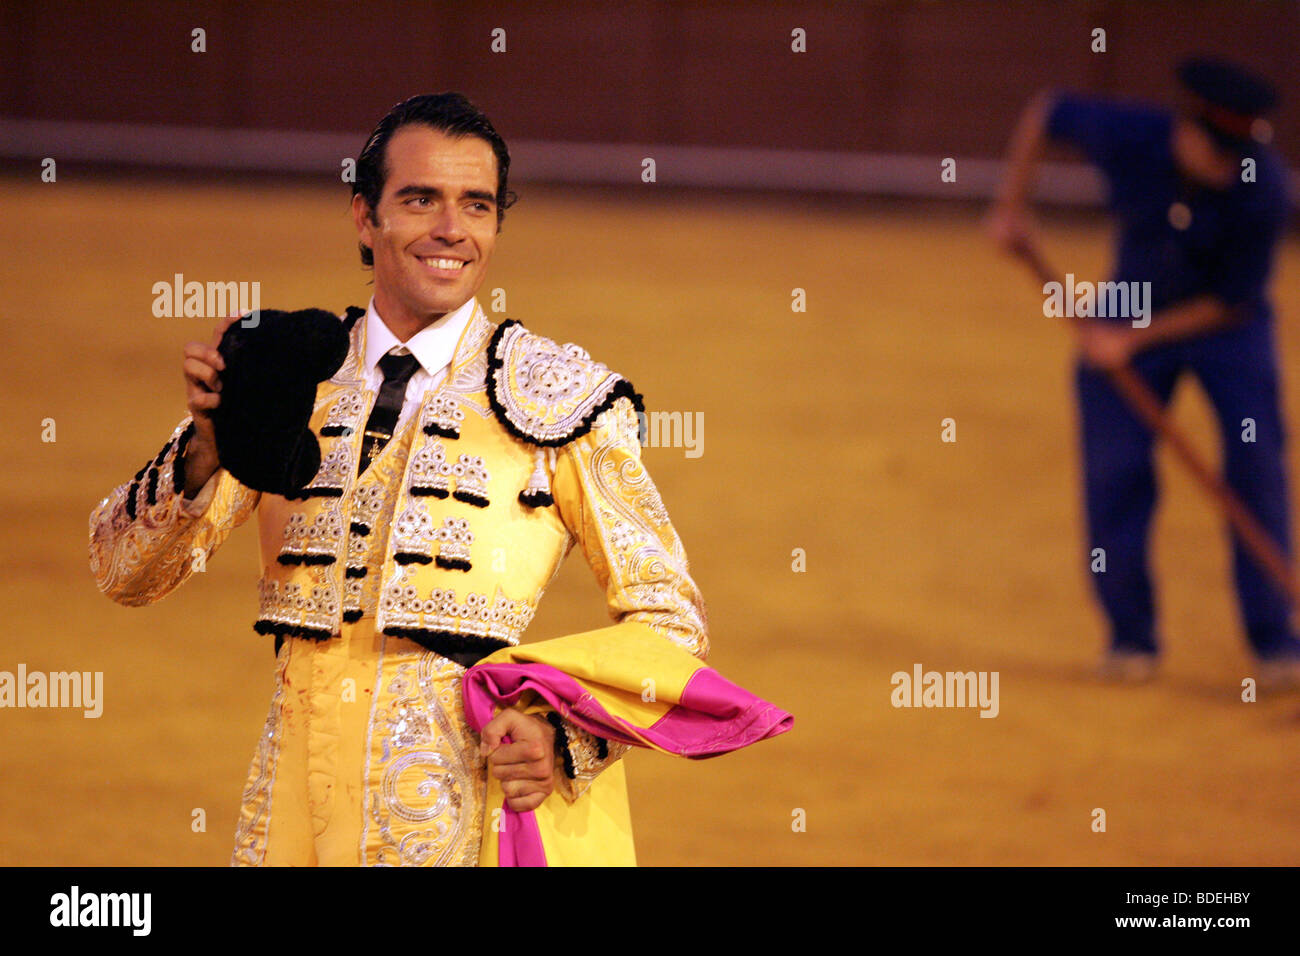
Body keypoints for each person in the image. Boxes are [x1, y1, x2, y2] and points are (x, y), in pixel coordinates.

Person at [88, 92, 710, 865]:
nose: (451, 230)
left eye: (476, 206)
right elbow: (123, 573)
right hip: (291, 811)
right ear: (364, 217)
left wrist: (565, 733)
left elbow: (670, 620)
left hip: (463, 811)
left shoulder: (562, 398)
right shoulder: (289, 372)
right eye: (420, 200)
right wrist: (209, 449)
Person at [988, 57, 1300, 685]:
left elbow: (1233, 299)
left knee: (1255, 463)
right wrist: (1011, 206)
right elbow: (1046, 106)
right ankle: (1131, 640)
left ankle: (1275, 644)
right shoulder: (1132, 133)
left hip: (1224, 327)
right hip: (1128, 304)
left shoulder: (1264, 190)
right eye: (1210, 156)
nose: (1219, 171)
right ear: (1185, 131)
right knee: (1114, 471)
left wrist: (1132, 342)